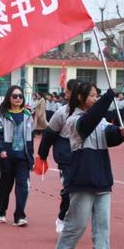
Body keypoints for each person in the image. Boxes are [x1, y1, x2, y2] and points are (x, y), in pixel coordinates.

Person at [53, 83, 124, 249]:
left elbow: (109, 135)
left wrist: (121, 134)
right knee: (77, 224)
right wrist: (108, 98)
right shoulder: (73, 120)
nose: (96, 99)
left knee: (102, 227)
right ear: (80, 98)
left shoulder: (100, 119)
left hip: (103, 179)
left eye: (98, 96)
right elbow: (88, 124)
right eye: (93, 96)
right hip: (82, 179)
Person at [37, 79, 79, 234]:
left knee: (82, 191)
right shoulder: (62, 112)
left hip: (84, 154)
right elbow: (49, 135)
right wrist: (42, 155)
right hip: (65, 154)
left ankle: (75, 219)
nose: (68, 95)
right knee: (69, 188)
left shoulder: (89, 112)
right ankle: (62, 218)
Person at [0, 85, 35, 227]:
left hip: (23, 157)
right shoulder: (2, 115)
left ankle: (20, 216)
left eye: (20, 96)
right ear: (9, 98)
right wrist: (1, 149)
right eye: (15, 96)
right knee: (5, 186)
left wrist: (31, 156)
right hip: (6, 157)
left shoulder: (27, 115)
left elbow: (30, 138)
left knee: (23, 186)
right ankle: (1, 212)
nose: (18, 99)